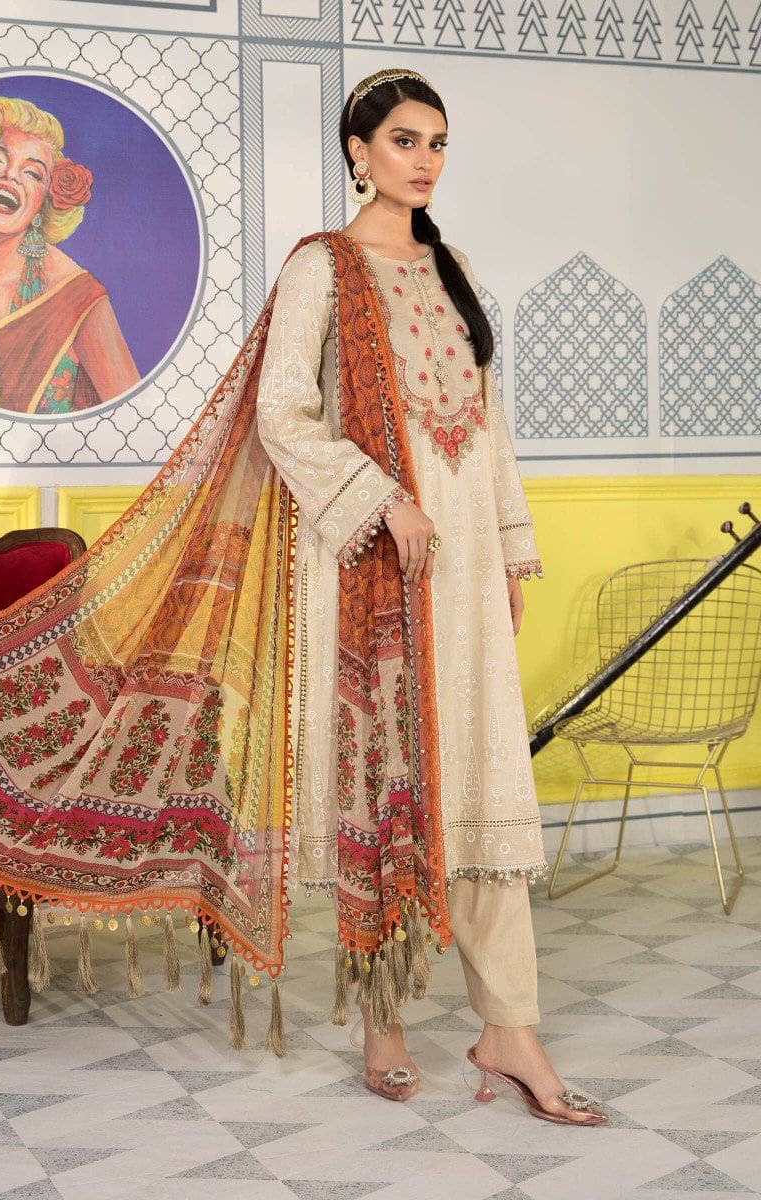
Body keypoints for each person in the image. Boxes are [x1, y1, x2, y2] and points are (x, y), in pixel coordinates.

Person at [254, 67, 606, 1124]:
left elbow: (488, 427)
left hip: (462, 570)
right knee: (387, 786)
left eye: (437, 142)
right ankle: (384, 1021)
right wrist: (381, 501)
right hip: (372, 565)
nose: (424, 159)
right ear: (357, 151)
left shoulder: (452, 267)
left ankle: (510, 1030)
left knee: (485, 787)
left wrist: (508, 553)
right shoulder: (320, 267)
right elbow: (282, 413)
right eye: (404, 140)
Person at [0, 94, 139, 414]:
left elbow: (136, 418)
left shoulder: (78, 297)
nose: (10, 175)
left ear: (43, 201)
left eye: (32, 173)